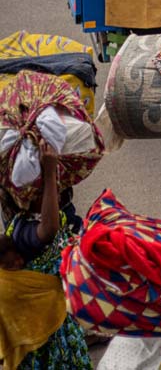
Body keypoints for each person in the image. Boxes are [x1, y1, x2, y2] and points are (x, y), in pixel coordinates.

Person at [0, 142, 91, 368]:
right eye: (45, 193)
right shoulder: (23, 233)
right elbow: (49, 230)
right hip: (44, 341)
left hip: (58, 327)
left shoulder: (22, 223)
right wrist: (49, 173)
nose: (55, 194)